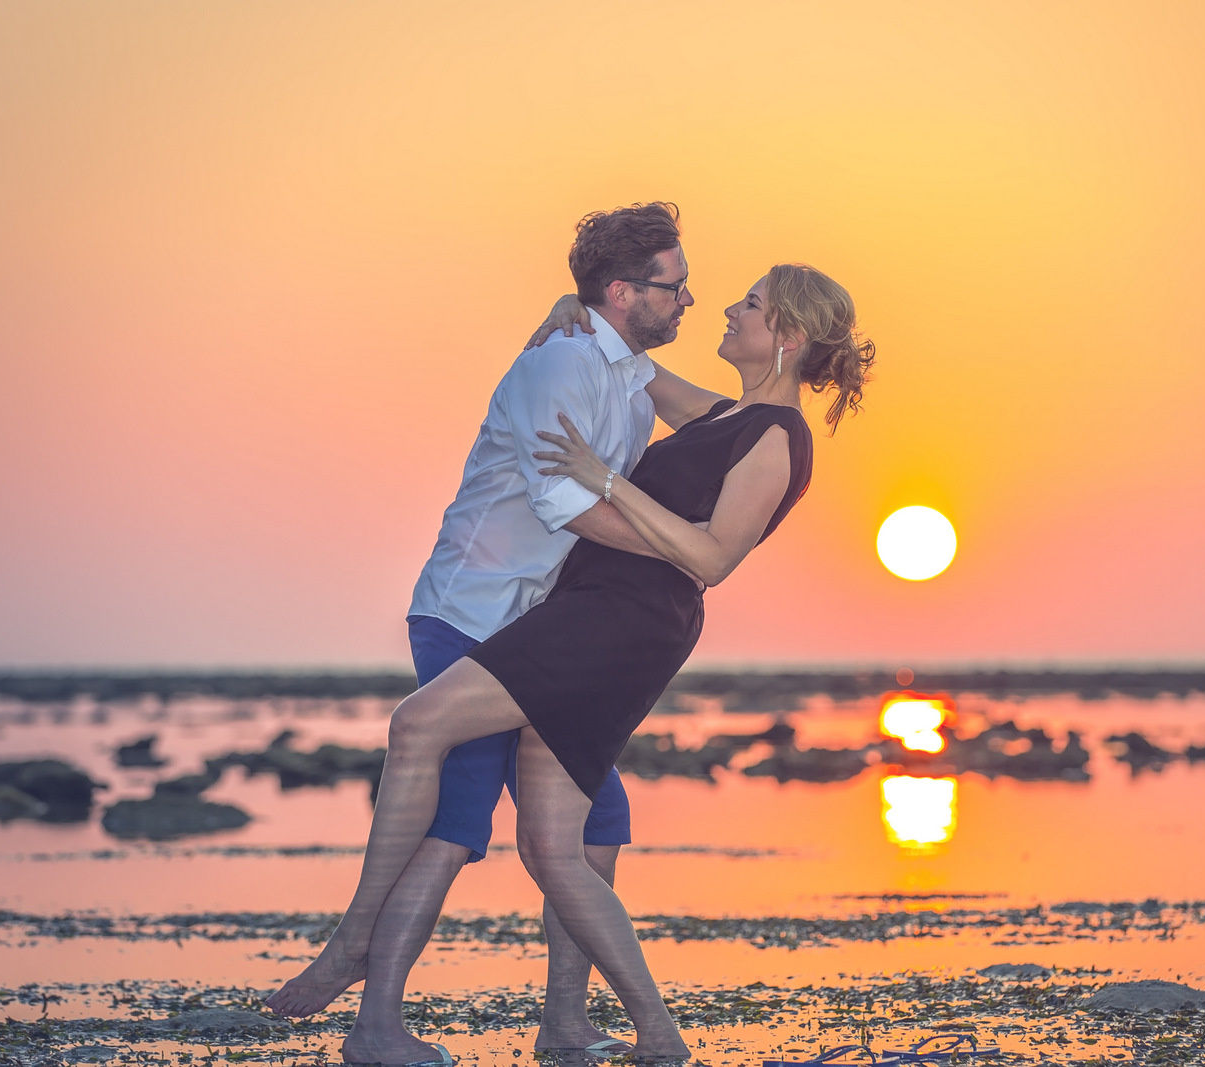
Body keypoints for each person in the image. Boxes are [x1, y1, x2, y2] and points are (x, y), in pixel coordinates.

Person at [280, 260, 874, 1064]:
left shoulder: (778, 438)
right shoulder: (724, 413)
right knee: (552, 848)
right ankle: (647, 1036)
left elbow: (714, 555)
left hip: (620, 624)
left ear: (791, 336)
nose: (730, 310)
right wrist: (577, 305)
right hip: (593, 608)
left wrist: (608, 484)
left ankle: (355, 938)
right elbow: (627, 359)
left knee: (419, 724)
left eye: (753, 304)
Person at [266, 202, 698, 1061]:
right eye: (673, 286)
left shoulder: (629, 377)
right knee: (457, 822)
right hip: (471, 611)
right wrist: (680, 547)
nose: (687, 300)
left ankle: (565, 1022)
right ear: (622, 291)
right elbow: (563, 504)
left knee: (597, 822)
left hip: (542, 633)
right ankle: (374, 1020)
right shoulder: (559, 366)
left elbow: (738, 422)